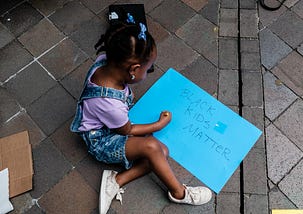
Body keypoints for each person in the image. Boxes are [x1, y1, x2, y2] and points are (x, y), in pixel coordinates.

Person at [70, 14, 212, 214]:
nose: (147, 73)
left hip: (111, 123)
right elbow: (127, 129)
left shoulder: (105, 61)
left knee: (162, 154)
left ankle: (117, 180)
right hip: (101, 141)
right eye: (148, 69)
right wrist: (158, 125)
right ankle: (179, 193)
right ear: (134, 70)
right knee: (154, 147)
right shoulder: (109, 103)